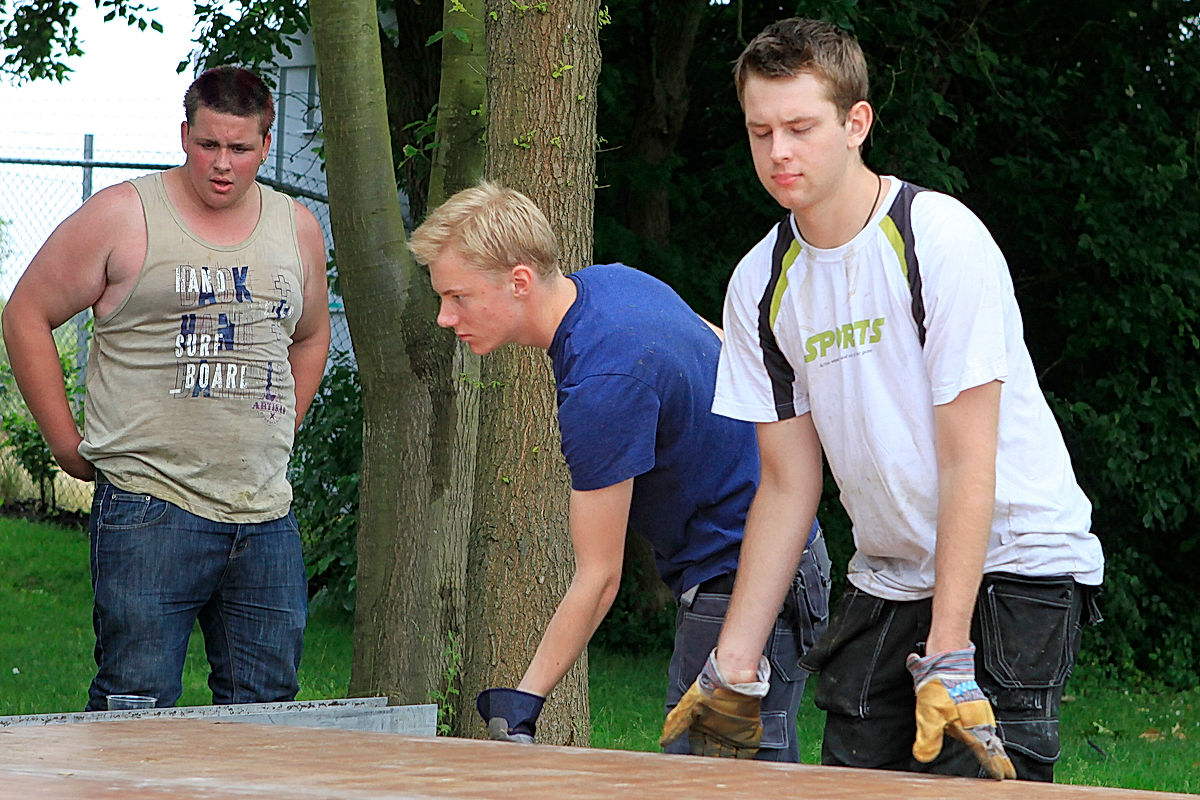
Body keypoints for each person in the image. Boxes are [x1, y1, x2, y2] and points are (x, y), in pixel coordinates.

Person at [663, 18, 1104, 782]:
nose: (779, 153)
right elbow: (786, 483)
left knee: (972, 784)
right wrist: (730, 663)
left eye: (801, 127)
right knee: (851, 780)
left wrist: (951, 653)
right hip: (890, 566)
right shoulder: (760, 283)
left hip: (1011, 558)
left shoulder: (937, 237)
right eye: (760, 131)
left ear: (856, 122)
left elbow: (970, 460)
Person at [408, 182, 829, 762]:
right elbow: (722, 343)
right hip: (784, 561)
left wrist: (524, 700)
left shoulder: (602, 386)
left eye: (457, 297)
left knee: (715, 783)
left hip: (744, 579)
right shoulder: (613, 284)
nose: (445, 317)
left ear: (520, 281)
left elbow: (600, 577)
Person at [1, 66, 331, 711]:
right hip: (150, 505)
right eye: (208, 144)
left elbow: (311, 335)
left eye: (240, 149)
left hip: (265, 514)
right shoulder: (124, 213)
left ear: (266, 146)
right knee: (137, 704)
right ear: (184, 135)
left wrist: (284, 422)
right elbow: (25, 314)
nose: (222, 164)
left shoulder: (296, 229)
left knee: (267, 712)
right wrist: (66, 445)